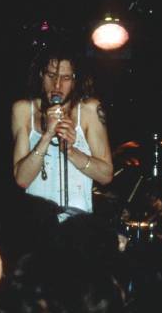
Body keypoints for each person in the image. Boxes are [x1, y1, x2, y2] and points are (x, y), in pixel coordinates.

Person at [12, 39, 113, 221]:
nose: (57, 85)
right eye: (51, 76)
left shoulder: (90, 110)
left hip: (78, 227)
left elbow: (106, 175)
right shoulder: (23, 110)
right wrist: (47, 136)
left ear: (75, 80)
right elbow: (21, 179)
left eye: (65, 78)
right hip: (37, 223)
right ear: (41, 76)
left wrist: (72, 153)